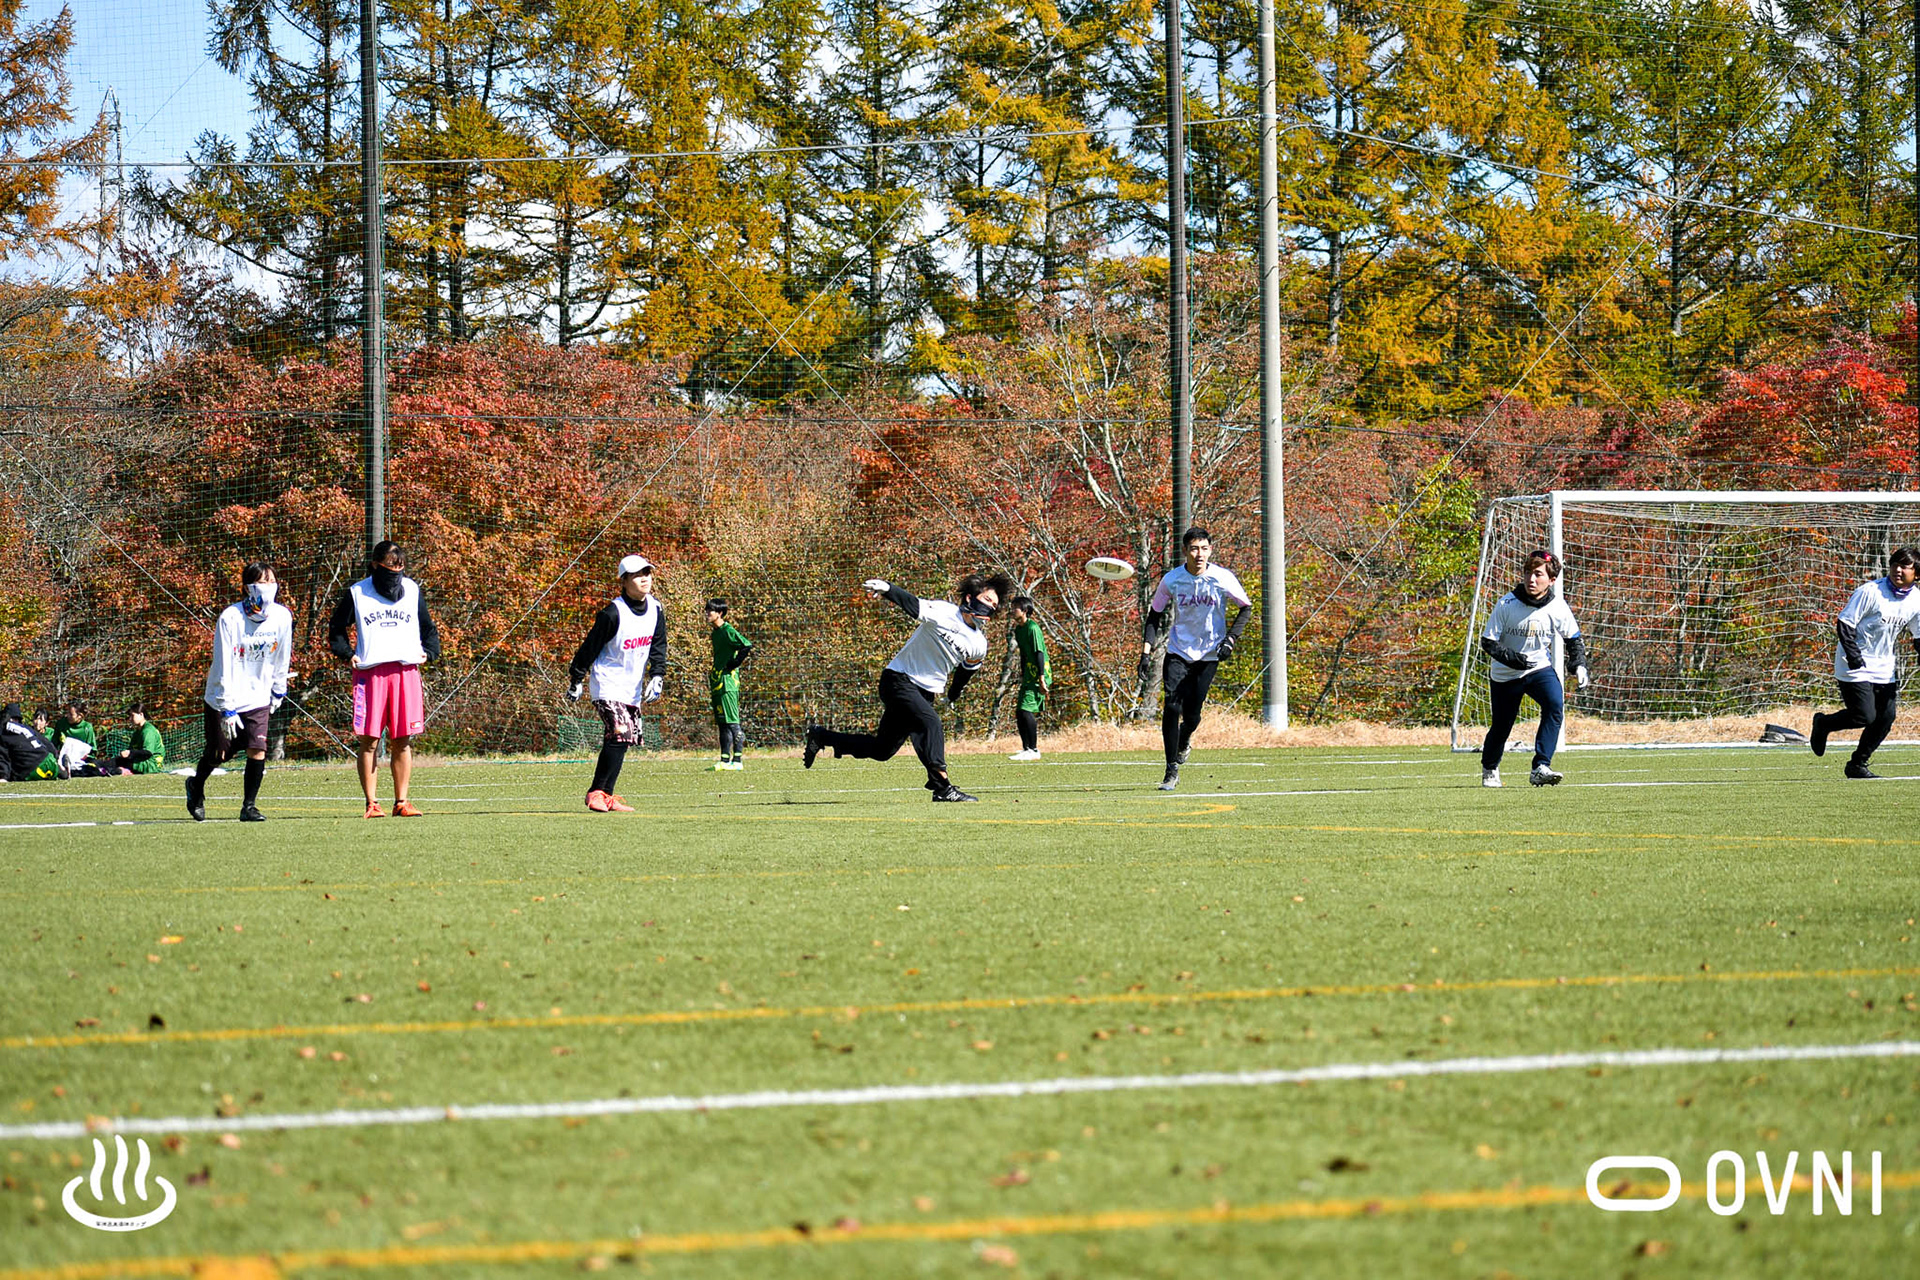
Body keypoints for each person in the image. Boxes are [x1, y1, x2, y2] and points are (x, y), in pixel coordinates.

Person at [804, 570, 1013, 803]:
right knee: (931, 723)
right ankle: (942, 788)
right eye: (987, 599)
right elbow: (913, 605)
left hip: (925, 692)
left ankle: (822, 737)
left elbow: (965, 672)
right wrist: (888, 589)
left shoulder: (979, 644)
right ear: (970, 598)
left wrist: (953, 695)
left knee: (882, 750)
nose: (990, 607)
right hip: (898, 680)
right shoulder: (944, 611)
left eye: (994, 605)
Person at [329, 540, 440, 818]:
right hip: (371, 674)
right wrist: (346, 653)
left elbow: (428, 627)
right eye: (390, 567)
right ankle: (372, 803)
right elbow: (337, 627)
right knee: (369, 740)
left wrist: (430, 652)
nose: (396, 574)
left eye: (400, 568)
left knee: (403, 739)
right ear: (376, 565)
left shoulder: (412, 589)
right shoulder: (357, 592)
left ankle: (402, 802)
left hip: (405, 671)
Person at [1143, 527, 1251, 791]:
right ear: (1185, 551)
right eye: (1194, 548)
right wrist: (1145, 653)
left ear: (1210, 550)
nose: (1199, 554)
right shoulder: (1172, 580)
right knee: (1172, 706)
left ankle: (1186, 737)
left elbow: (1246, 608)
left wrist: (1230, 639)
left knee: (1192, 715)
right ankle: (1171, 770)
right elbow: (1154, 615)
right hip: (1178, 652)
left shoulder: (1222, 578)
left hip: (1209, 655)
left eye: (1204, 548)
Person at [187, 562, 293, 822]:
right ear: (248, 587)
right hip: (225, 697)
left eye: (272, 581)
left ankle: (249, 806)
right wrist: (226, 707)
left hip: (259, 696)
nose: (268, 587)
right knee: (219, 753)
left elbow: (283, 654)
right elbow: (223, 662)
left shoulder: (282, 616)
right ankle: (196, 785)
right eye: (262, 582)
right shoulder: (230, 617)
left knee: (257, 748)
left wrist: (278, 689)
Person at [1478, 549, 1589, 788]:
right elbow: (1488, 641)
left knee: (1555, 704)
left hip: (1538, 669)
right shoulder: (1506, 604)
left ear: (1552, 580)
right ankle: (1490, 768)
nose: (1531, 579)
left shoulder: (1558, 606)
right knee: (1502, 725)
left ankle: (1541, 766)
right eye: (1528, 572)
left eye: (1538, 574)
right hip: (1506, 674)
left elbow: (1573, 640)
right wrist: (1511, 658)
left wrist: (1579, 664)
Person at [1810, 547, 1920, 779]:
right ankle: (1823, 724)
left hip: (1884, 666)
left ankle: (1857, 764)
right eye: (1895, 564)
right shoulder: (1870, 591)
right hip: (1853, 662)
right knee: (1864, 716)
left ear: (1917, 574)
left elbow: (1918, 636)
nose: (1898, 570)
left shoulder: (1916, 600)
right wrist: (1854, 656)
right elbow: (1845, 623)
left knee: (1886, 717)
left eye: (1905, 566)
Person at [567, 555, 667, 811]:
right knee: (620, 732)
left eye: (647, 573)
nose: (644, 579)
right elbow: (589, 647)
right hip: (607, 683)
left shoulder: (656, 608)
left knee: (624, 739)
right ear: (624, 581)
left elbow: (658, 645)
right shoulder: (613, 613)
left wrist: (657, 675)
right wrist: (577, 678)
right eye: (637, 575)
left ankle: (606, 795)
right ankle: (596, 793)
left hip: (631, 688)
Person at [705, 598, 753, 771]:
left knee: (733, 722)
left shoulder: (727, 630)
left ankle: (738, 761)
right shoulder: (715, 633)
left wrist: (735, 663)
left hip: (728, 683)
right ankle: (725, 760)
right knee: (722, 723)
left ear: (720, 613)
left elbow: (746, 645)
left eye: (710, 611)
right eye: (706, 610)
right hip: (717, 681)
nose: (707, 614)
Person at [1006, 596, 1050, 761]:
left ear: (1025, 610)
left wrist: (1042, 679)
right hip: (1029, 674)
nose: (1012, 610)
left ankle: (1034, 749)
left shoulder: (1033, 628)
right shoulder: (1019, 629)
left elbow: (1039, 653)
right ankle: (1026, 748)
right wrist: (1022, 673)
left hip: (1040, 674)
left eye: (1015, 608)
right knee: (1020, 711)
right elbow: (1024, 654)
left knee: (1026, 710)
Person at [100, 703, 166, 776]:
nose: (130, 719)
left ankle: (118, 771)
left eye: (132, 715)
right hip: (142, 762)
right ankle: (102, 769)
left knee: (118, 763)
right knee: (116, 761)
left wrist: (130, 753)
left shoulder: (148, 731)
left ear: (141, 714)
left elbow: (148, 752)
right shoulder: (137, 732)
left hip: (151, 765)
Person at [0, 703, 59, 781]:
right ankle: (63, 771)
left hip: (31, 770)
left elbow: (3, 756)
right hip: (50, 764)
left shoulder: (3, 732)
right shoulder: (26, 728)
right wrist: (57, 759)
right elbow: (48, 744)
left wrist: (3, 776)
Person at [50, 700, 95, 777]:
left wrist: (84, 756)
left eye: (71, 714)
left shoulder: (87, 728)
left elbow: (92, 749)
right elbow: (54, 744)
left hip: (80, 760)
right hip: (62, 757)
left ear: (80, 716)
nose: (68, 716)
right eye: (67, 713)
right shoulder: (61, 724)